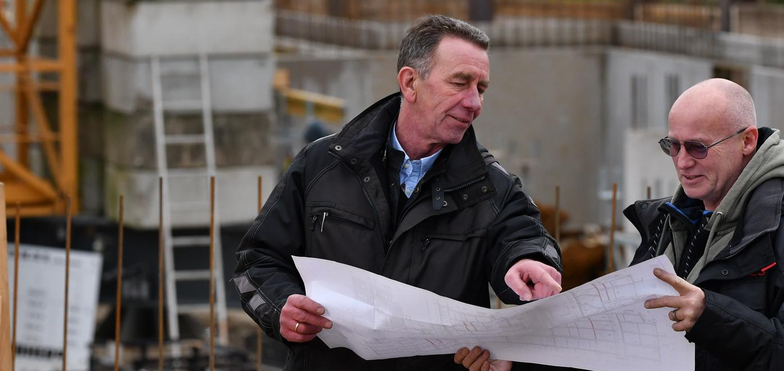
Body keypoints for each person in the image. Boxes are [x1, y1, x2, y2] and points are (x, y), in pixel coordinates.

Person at [233, 15, 564, 370]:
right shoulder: (320, 165)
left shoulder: (494, 188)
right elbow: (256, 262)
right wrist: (281, 306)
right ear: (410, 83)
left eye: (480, 88)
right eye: (460, 83)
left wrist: (529, 261)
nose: (474, 103)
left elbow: (523, 240)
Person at [457, 79, 784, 371]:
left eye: (697, 147)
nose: (681, 162)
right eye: (672, 146)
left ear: (747, 141)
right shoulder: (668, 224)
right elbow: (617, 347)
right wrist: (520, 363)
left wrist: (712, 316)